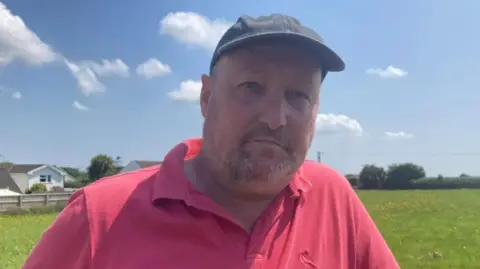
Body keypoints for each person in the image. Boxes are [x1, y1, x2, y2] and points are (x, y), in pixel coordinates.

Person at [22, 14, 400, 269]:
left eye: (298, 96)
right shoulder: (98, 217)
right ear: (206, 97)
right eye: (252, 87)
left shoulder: (332, 197)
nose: (275, 118)